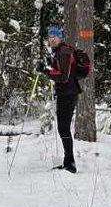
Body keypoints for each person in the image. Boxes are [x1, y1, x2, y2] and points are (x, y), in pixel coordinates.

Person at [39, 26, 91, 173]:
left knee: (63, 128)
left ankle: (70, 163)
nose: (52, 39)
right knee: (63, 128)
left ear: (60, 37)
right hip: (66, 92)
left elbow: (63, 76)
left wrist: (45, 71)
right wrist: (49, 67)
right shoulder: (60, 52)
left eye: (55, 36)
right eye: (50, 36)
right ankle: (68, 162)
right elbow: (60, 71)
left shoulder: (64, 52)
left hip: (68, 93)